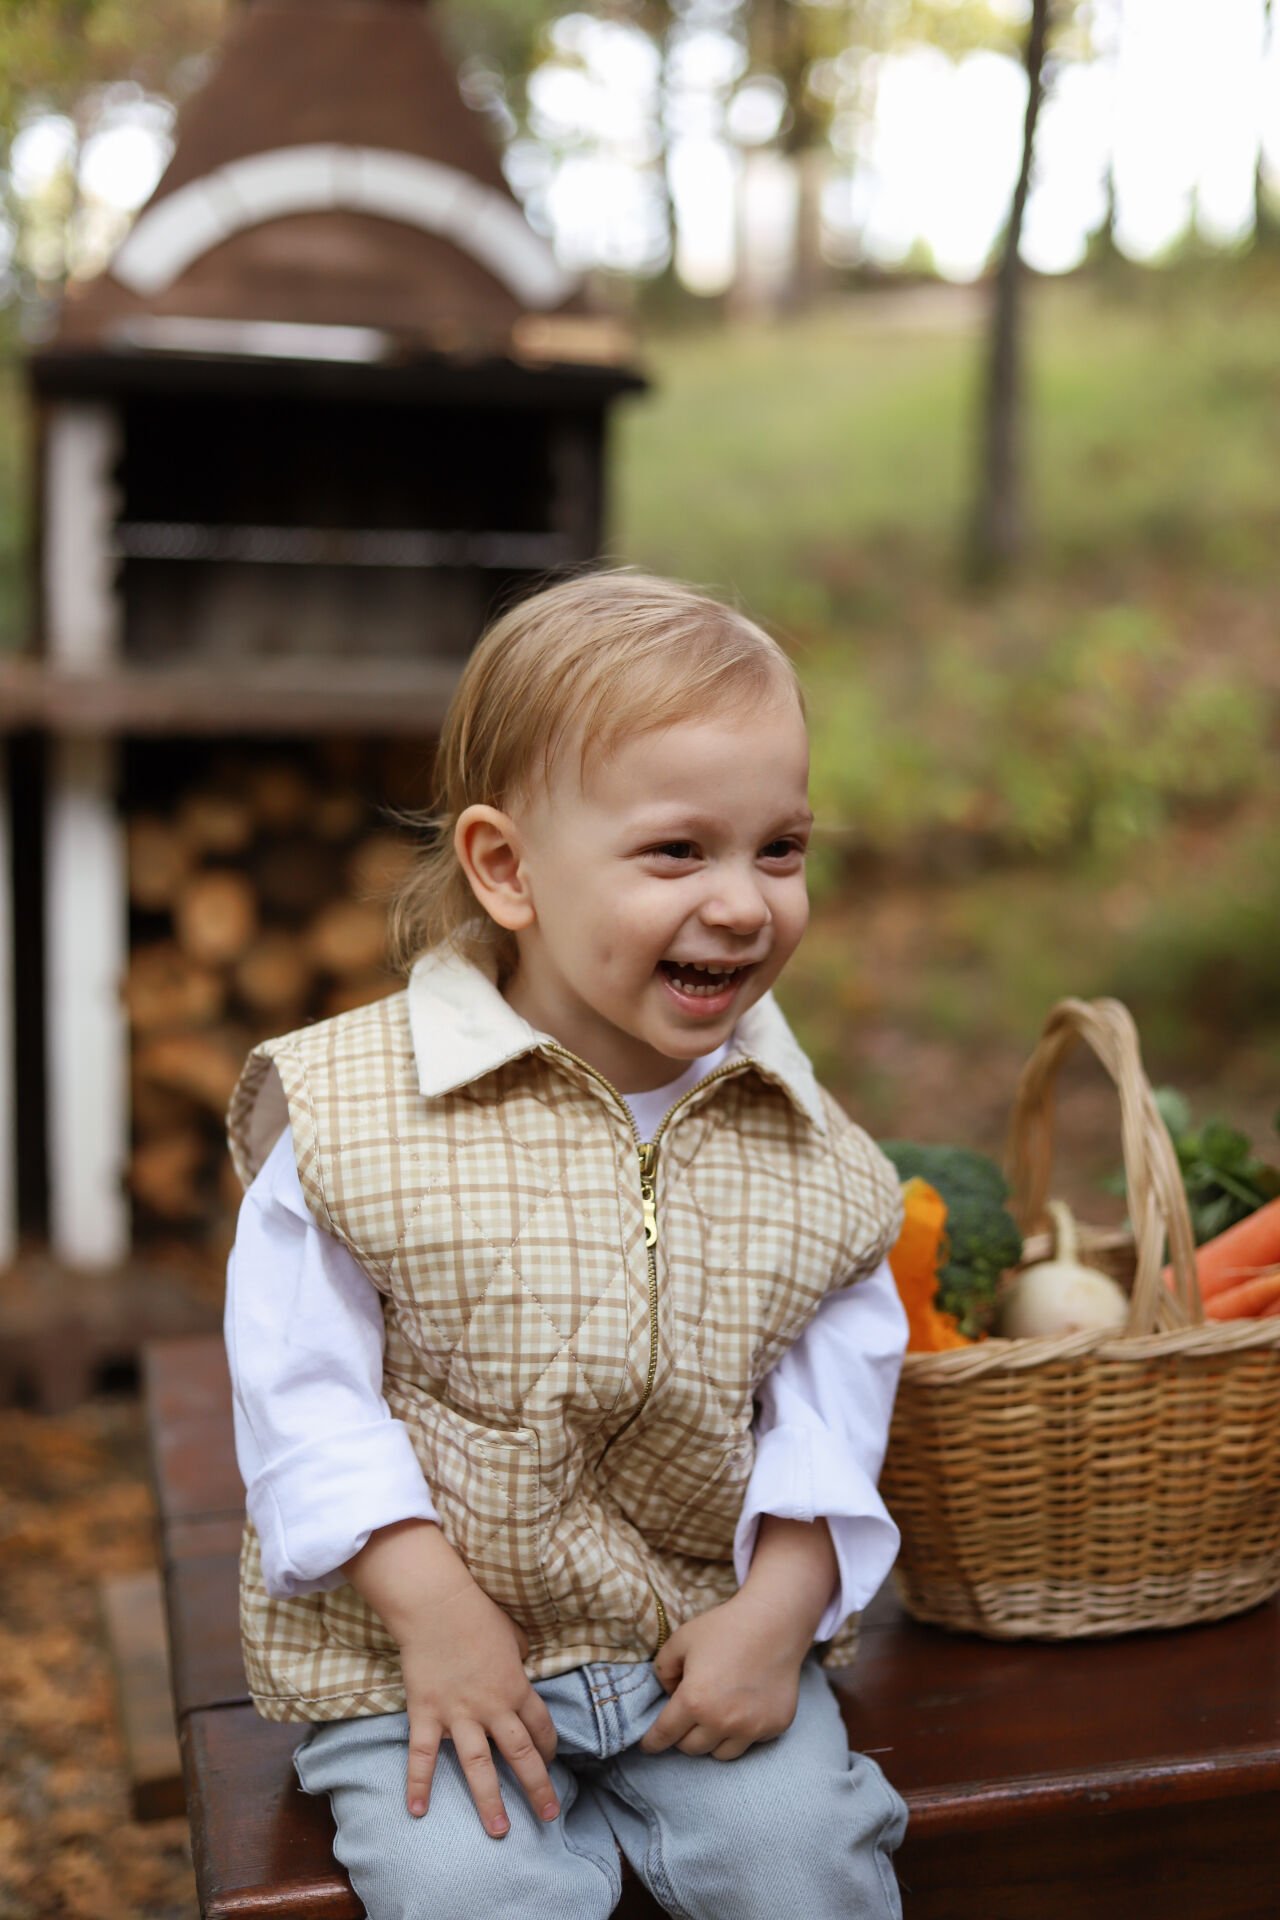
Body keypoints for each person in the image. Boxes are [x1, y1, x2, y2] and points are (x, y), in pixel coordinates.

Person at [223, 570, 910, 1920]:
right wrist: (432, 1611)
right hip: (421, 1660)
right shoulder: (361, 1115)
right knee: (468, 1892)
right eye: (677, 852)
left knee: (803, 1865)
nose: (743, 902)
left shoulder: (814, 1154)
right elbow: (300, 1392)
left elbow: (836, 1413)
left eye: (779, 849)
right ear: (506, 867)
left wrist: (779, 1618)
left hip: (696, 1651)